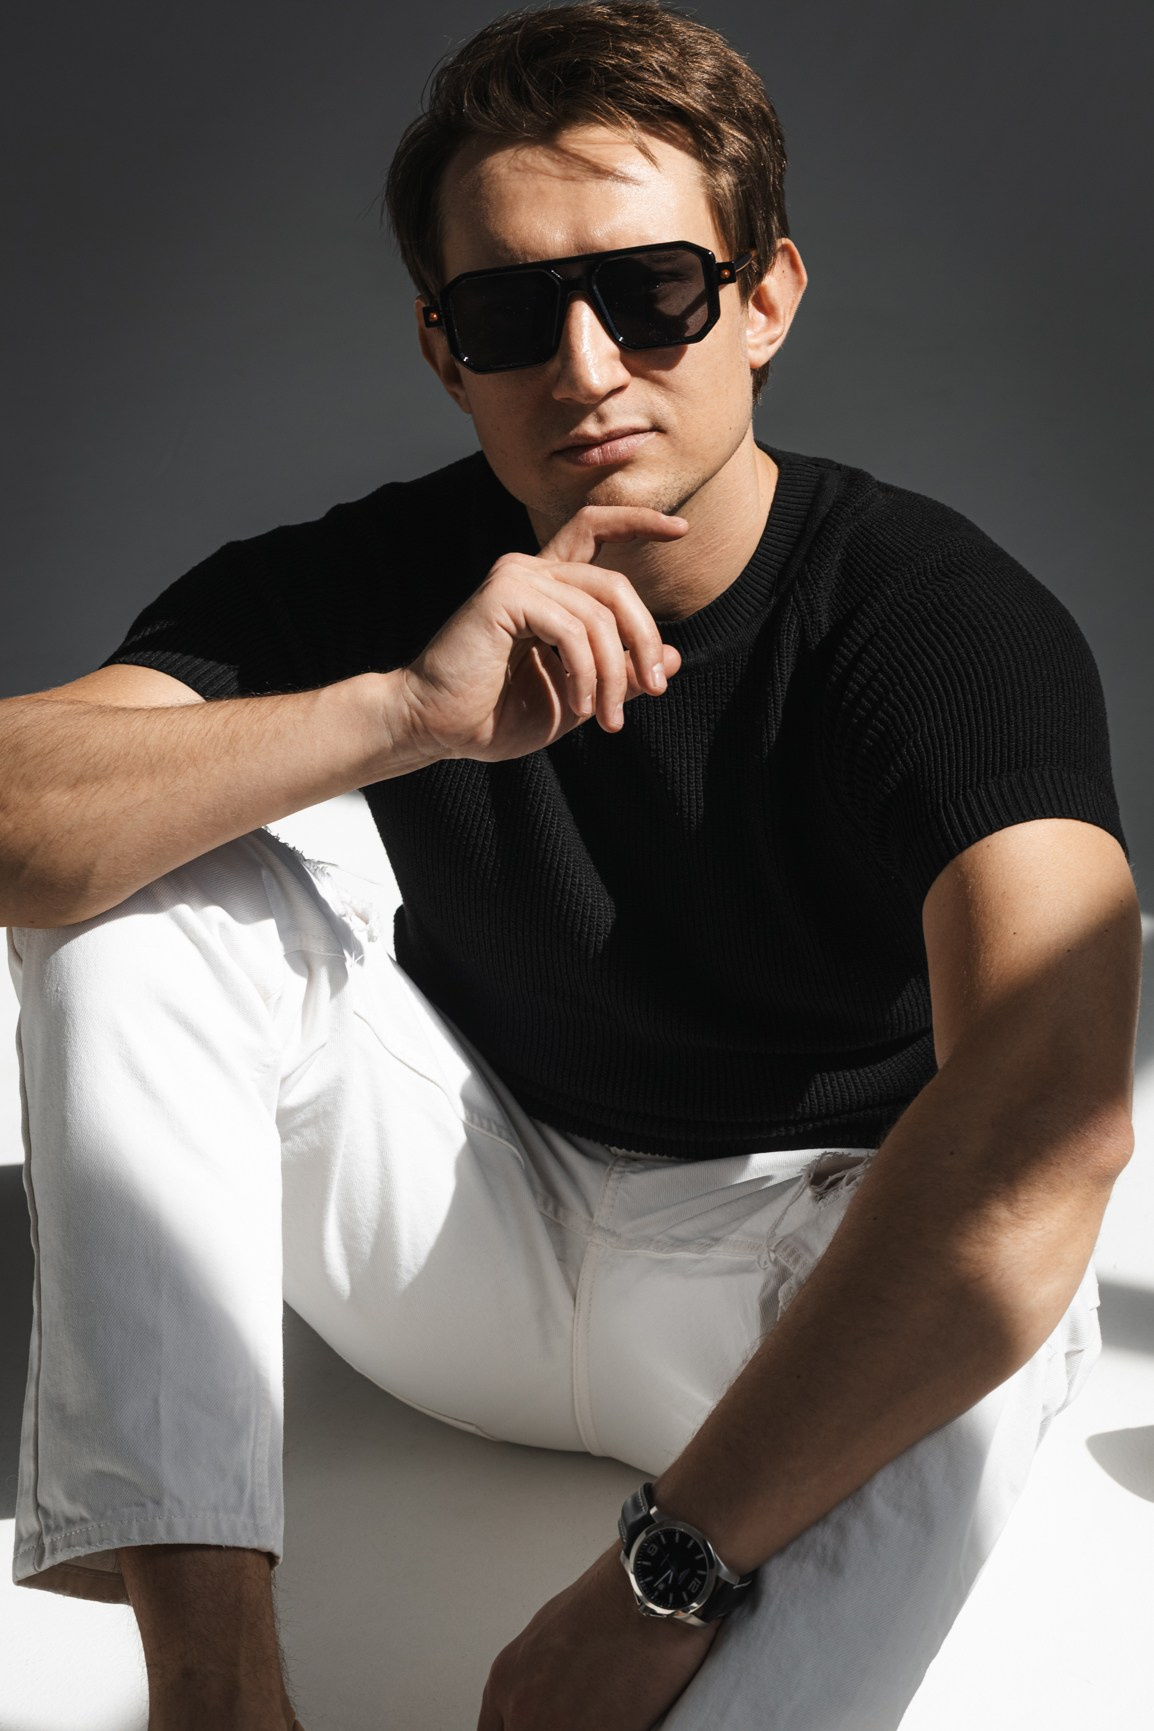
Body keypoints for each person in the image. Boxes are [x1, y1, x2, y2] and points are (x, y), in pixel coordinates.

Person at [1, 2, 1141, 1727]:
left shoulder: (935, 623)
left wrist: (659, 1579)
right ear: (443, 347)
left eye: (653, 292)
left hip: (772, 1293)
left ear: (764, 299)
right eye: (511, 312)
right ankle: (216, 1697)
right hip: (451, 1238)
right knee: (140, 892)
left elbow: (1051, 1112)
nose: (587, 366)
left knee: (1001, 1306)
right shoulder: (387, 579)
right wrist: (398, 712)